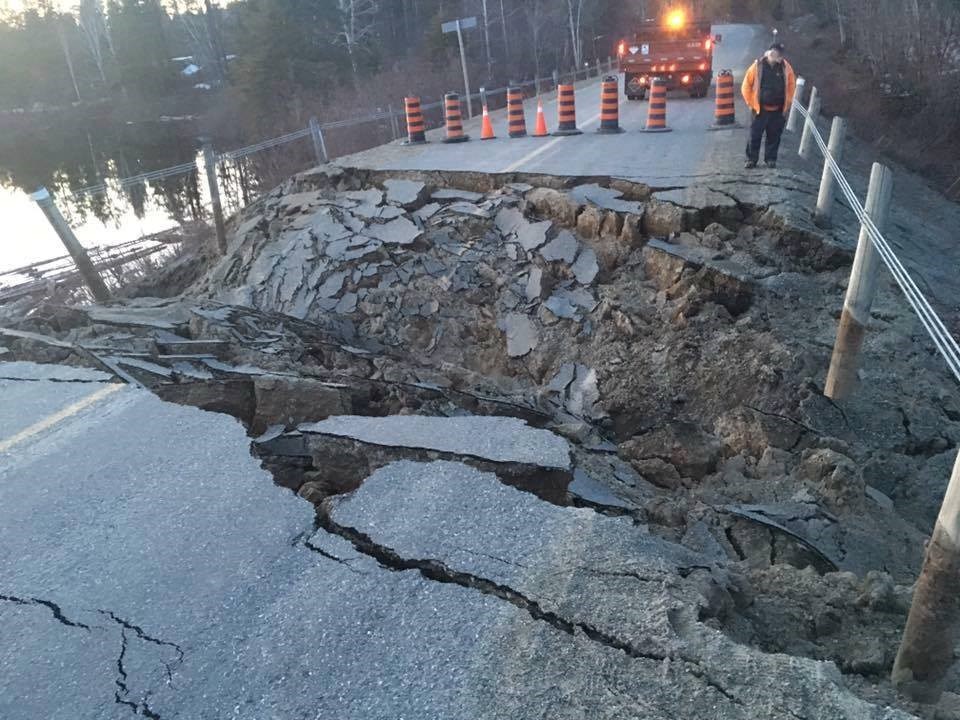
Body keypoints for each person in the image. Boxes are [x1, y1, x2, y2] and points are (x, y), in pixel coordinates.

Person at [741, 42, 797, 169]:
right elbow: (746, 86)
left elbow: (791, 86)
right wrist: (751, 103)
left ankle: (771, 159)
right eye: (775, 52)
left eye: (779, 54)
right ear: (770, 52)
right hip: (760, 110)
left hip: (777, 110)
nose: (777, 56)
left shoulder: (786, 68)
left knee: (774, 136)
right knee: (754, 136)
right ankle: (751, 159)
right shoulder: (757, 67)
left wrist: (787, 104)